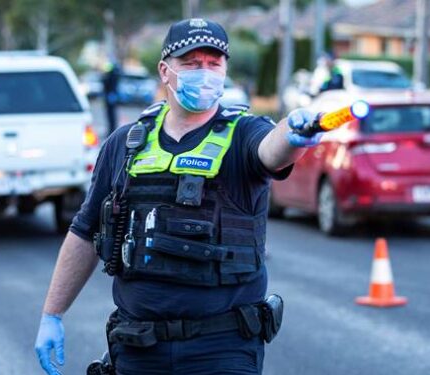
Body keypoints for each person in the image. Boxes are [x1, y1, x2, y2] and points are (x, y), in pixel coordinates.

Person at [35, 18, 327, 375]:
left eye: (213, 63)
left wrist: (294, 135)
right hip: (138, 346)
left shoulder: (244, 133)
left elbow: (271, 151)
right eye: (191, 63)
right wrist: (52, 314)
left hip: (221, 349)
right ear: (164, 71)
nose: (203, 72)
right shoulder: (125, 144)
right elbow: (84, 231)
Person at [102, 60, 121, 136]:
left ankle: (111, 130)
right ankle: (111, 129)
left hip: (110, 96)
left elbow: (106, 83)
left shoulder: (111, 76)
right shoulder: (115, 75)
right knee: (111, 115)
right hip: (111, 96)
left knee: (111, 115)